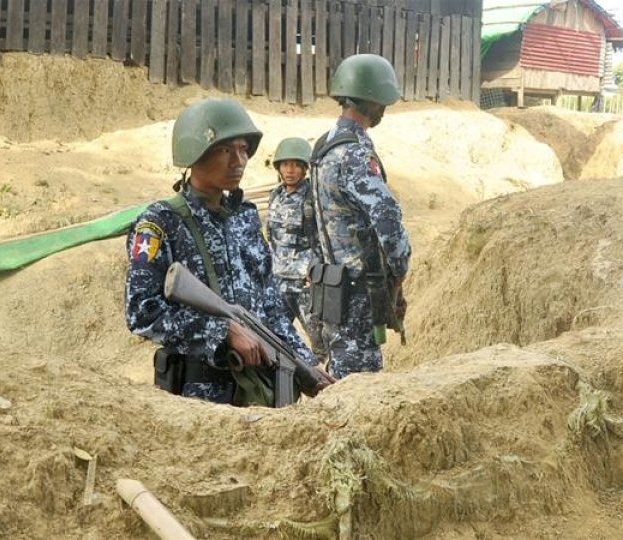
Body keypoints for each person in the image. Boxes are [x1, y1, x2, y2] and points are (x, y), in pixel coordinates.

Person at [124, 98, 323, 404]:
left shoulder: (244, 216)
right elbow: (141, 311)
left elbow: (270, 302)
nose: (239, 160)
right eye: (225, 150)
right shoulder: (160, 223)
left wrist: (303, 362)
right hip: (199, 399)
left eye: (244, 150)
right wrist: (221, 332)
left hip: (258, 390)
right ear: (195, 152)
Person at [310, 53, 412, 379]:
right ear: (372, 100)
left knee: (340, 370)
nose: (384, 108)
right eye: (383, 101)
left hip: (329, 285)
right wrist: (399, 269)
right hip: (356, 290)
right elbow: (386, 217)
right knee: (359, 387)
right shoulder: (354, 153)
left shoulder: (323, 145)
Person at [265, 137, 327, 358]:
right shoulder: (275, 196)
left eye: (295, 165)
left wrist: (316, 270)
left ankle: (326, 386)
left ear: (304, 168)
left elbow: (322, 239)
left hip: (305, 283)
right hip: (279, 281)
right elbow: (271, 237)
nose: (289, 170)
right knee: (272, 339)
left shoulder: (313, 198)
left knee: (320, 342)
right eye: (285, 164)